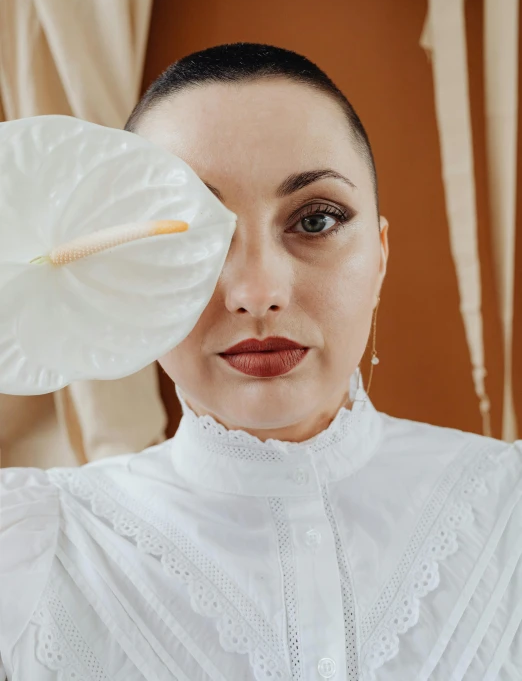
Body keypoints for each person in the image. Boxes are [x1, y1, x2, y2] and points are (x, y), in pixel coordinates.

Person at [0, 43, 520, 681]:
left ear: (380, 256)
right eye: (193, 234)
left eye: (317, 219)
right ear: (116, 271)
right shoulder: (34, 552)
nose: (257, 293)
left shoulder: (508, 509)